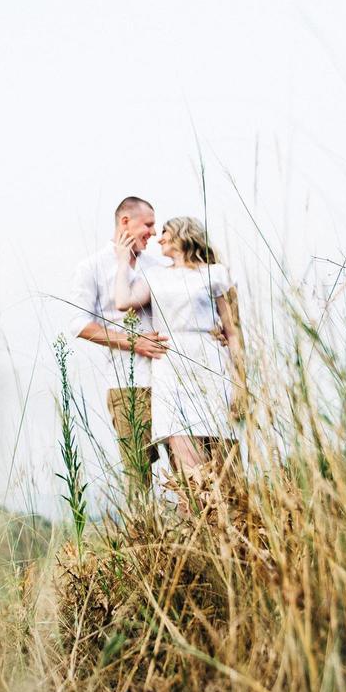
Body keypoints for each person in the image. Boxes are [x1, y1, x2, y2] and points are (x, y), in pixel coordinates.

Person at [113, 215, 238, 479]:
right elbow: (123, 301)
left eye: (166, 232)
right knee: (188, 470)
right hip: (170, 365)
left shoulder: (216, 273)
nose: (159, 237)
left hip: (210, 361)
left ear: (183, 234)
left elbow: (234, 331)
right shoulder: (155, 276)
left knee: (222, 463)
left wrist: (240, 383)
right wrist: (123, 262)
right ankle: (193, 514)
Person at [67, 197, 171, 486]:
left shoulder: (159, 265)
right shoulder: (92, 267)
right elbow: (79, 324)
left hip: (170, 380)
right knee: (138, 475)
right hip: (128, 385)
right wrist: (133, 341)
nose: (153, 232)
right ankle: (144, 530)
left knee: (189, 471)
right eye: (148, 224)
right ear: (125, 222)